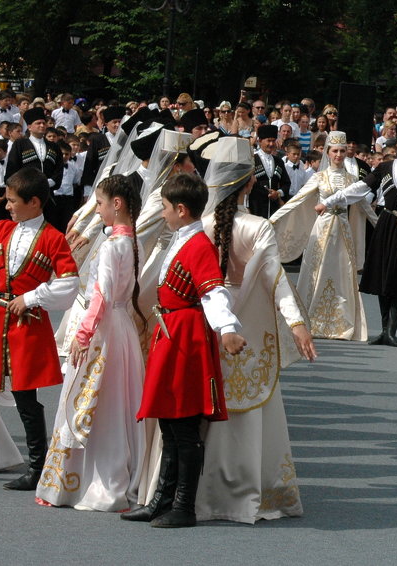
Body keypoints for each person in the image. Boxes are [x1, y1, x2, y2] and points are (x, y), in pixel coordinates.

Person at [198, 136, 315, 523]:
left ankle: (203, 488)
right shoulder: (258, 227)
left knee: (209, 400)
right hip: (249, 318)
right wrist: (296, 323)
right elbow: (273, 277)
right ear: (250, 183)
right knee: (253, 408)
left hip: (209, 315)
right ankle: (254, 491)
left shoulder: (201, 223)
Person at [121, 173, 246, 528]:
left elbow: (213, 292)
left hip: (187, 337)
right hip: (172, 332)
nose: (161, 213)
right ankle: (162, 500)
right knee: (168, 423)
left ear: (180, 209)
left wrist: (227, 328)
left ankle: (183, 506)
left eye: (163, 208)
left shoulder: (199, 246)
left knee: (185, 424)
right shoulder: (181, 239)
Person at [35, 175, 145, 510]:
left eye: (99, 203)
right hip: (122, 328)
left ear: (117, 203)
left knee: (86, 400)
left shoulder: (114, 245)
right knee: (116, 403)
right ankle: (113, 476)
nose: (96, 210)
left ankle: (80, 482)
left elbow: (102, 293)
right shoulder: (132, 241)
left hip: (104, 329)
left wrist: (83, 335)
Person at [0, 168, 79, 489]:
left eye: (13, 201)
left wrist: (32, 297)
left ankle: (37, 467)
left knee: (26, 397)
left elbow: (70, 284)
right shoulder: (3, 230)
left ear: (34, 202)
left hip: (26, 323)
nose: (6, 206)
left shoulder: (53, 239)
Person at [319, 120, 397, 347]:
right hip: (386, 224)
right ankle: (384, 330)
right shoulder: (384, 168)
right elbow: (360, 189)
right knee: (384, 275)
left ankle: (392, 330)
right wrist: (330, 200)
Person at [270, 132, 373, 341]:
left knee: (343, 273)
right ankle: (311, 320)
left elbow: (365, 207)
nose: (339, 155)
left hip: (343, 231)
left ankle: (340, 321)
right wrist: (272, 220)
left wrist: (382, 225)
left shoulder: (352, 179)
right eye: (335, 151)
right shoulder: (319, 177)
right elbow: (297, 200)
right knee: (316, 271)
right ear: (327, 152)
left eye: (342, 151)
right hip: (322, 229)